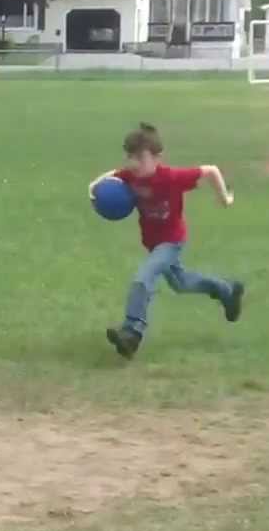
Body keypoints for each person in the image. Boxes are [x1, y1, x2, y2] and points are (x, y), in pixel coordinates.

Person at [89, 123, 245, 360]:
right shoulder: (130, 176)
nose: (134, 164)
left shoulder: (171, 177)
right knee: (181, 284)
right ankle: (227, 290)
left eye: (140, 158)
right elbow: (111, 176)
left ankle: (132, 332)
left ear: (157, 157)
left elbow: (211, 170)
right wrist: (94, 187)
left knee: (144, 277)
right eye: (130, 157)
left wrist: (225, 199)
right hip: (152, 242)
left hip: (172, 241)